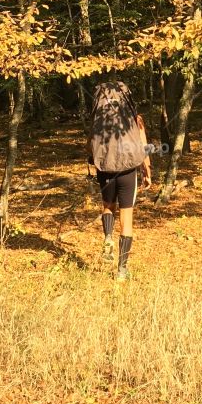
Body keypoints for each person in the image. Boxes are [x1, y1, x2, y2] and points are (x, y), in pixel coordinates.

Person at [86, 75, 152, 281]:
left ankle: (107, 237)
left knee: (107, 206)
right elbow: (142, 144)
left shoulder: (99, 117)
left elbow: (90, 144)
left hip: (104, 168)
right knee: (127, 219)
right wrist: (147, 169)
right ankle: (122, 270)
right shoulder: (135, 119)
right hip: (127, 170)